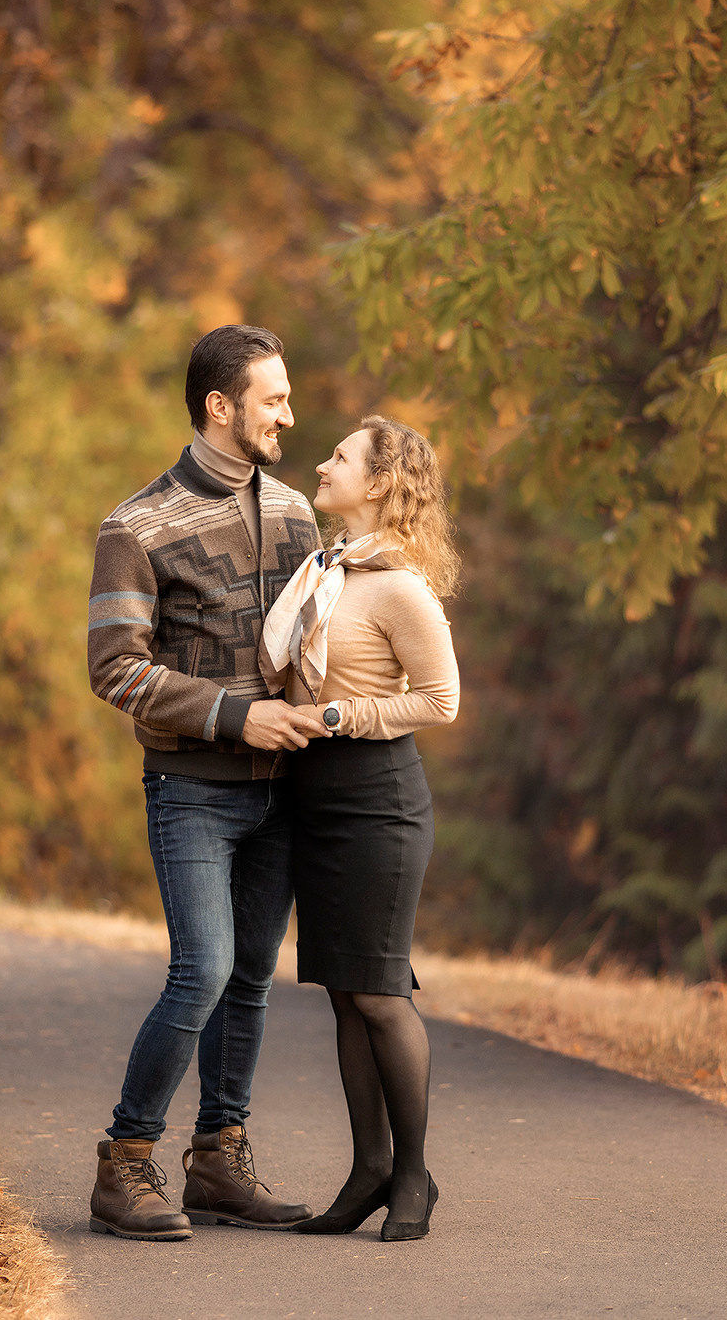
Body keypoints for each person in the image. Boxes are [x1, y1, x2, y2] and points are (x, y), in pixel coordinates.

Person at [85, 324, 327, 1241]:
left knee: (253, 979)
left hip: (282, 791)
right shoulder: (136, 526)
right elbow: (114, 669)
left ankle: (219, 1161)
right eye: (274, 399)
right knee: (203, 973)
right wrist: (236, 714)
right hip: (191, 787)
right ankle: (126, 1162)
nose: (289, 416)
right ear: (220, 407)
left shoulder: (300, 514)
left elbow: (311, 646)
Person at [258, 414, 461, 1243]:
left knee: (380, 992)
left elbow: (440, 700)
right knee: (346, 992)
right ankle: (367, 1168)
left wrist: (342, 713)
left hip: (379, 801)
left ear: (379, 483)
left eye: (340, 457)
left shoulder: (400, 587)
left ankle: (413, 1174)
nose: (322, 461)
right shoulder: (322, 569)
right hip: (317, 798)